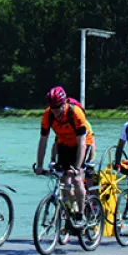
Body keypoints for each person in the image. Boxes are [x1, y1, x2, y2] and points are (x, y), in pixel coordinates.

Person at [35, 86, 92, 215]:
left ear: (64, 103)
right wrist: (39, 165)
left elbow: (82, 143)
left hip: (82, 144)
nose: (55, 112)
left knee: (77, 178)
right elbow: (43, 141)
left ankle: (81, 214)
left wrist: (77, 168)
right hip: (64, 144)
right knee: (63, 180)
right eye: (52, 108)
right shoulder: (48, 115)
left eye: (57, 108)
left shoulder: (76, 113)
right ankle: (72, 208)